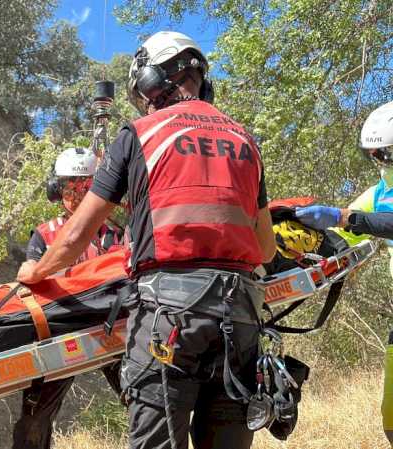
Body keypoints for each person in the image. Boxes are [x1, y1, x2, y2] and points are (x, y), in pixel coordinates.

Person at [17, 30, 277, 449]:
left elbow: (75, 235)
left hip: (169, 319)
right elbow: (265, 249)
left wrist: (37, 269)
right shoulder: (245, 140)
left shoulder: (140, 134)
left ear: (154, 80)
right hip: (241, 317)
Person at [293, 100, 393, 444]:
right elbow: (340, 231)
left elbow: (353, 219)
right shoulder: (380, 193)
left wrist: (345, 217)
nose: (380, 163)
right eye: (374, 155)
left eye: (386, 154)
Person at [13, 147, 125, 449]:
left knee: (142, 400)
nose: (74, 196)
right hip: (62, 332)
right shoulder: (45, 234)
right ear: (57, 190)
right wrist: (30, 269)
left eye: (83, 188)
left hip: (113, 330)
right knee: (34, 419)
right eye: (68, 188)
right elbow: (30, 269)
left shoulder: (116, 234)